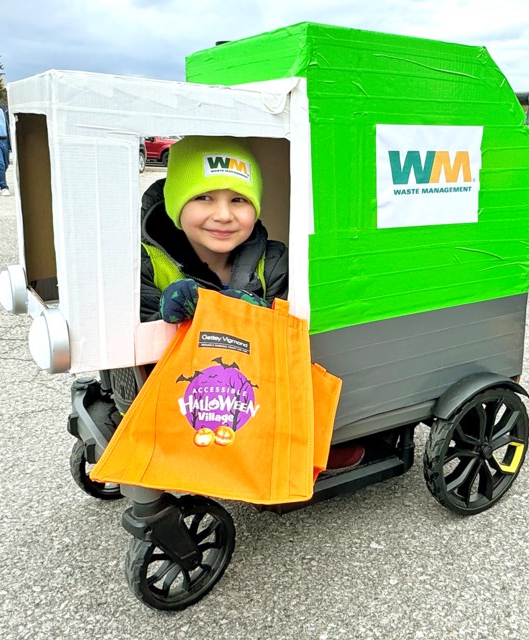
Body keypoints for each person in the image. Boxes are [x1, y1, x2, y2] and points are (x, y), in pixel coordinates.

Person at [137, 135, 365, 471]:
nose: (224, 215)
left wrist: (254, 313)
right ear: (175, 203)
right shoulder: (147, 261)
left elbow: (290, 337)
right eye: (203, 197)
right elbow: (131, 333)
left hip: (252, 391)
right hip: (176, 399)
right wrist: (163, 314)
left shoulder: (273, 260)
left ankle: (300, 443)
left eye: (239, 200)